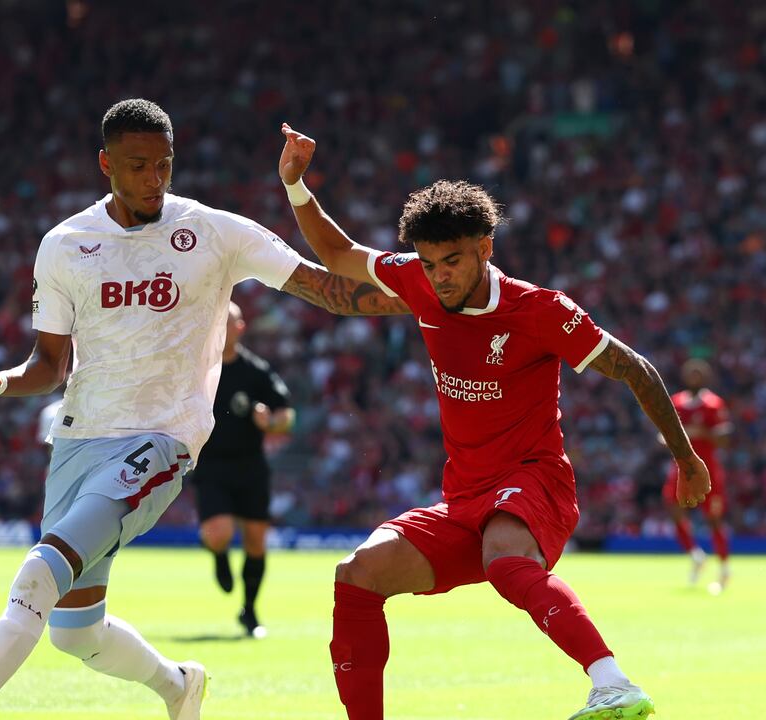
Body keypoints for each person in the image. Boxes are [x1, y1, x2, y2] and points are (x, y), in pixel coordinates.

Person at [0, 99, 406, 720]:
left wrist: (426, 299)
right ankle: (180, 687)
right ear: (106, 164)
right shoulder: (65, 246)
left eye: (164, 165)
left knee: (35, 580)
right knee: (74, 631)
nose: (154, 179)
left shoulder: (214, 231)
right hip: (79, 441)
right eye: (137, 166)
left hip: (160, 440)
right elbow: (50, 368)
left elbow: (328, 288)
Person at [276, 124, 709, 720]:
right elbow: (338, 256)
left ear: (485, 248)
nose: (439, 276)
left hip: (536, 483)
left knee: (507, 561)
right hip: (466, 497)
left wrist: (686, 458)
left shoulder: (540, 311)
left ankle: (613, 684)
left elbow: (635, 368)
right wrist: (296, 186)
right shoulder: (420, 283)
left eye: (451, 260)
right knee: (358, 573)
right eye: (429, 264)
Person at [192, 301, 293, 638]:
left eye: (228, 321)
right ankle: (219, 556)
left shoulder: (256, 371)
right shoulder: (199, 369)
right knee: (218, 533)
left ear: (240, 328)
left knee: (255, 542)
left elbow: (286, 415)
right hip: (211, 464)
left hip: (250, 465)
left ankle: (249, 612)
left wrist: (272, 423)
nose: (222, 328)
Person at [662, 359, 733, 592]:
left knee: (713, 518)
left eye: (698, 374)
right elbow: (664, 433)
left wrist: (701, 432)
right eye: (690, 373)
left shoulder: (713, 404)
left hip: (708, 468)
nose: (694, 377)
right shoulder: (677, 402)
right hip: (681, 468)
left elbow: (724, 437)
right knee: (673, 509)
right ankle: (695, 554)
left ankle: (723, 569)